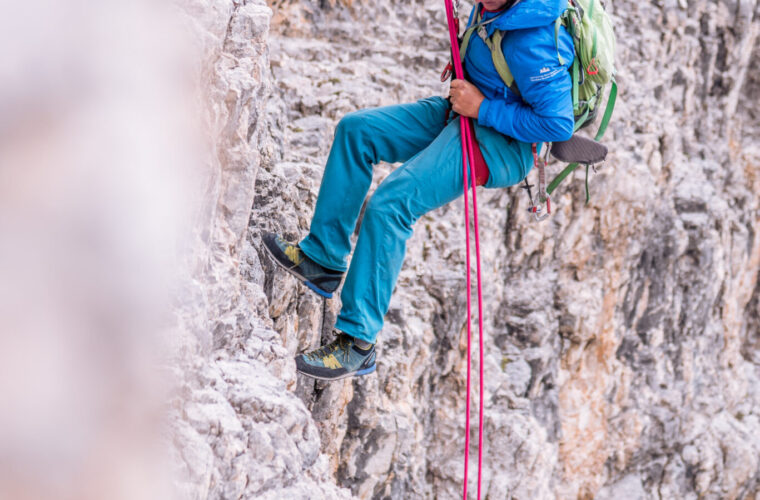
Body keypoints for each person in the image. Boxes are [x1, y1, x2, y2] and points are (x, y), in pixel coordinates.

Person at [262, 0, 575, 381]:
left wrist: (482, 109)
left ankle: (358, 343)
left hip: (500, 144)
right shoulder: (490, 6)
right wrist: (472, 106)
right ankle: (322, 259)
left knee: (390, 204)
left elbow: (557, 125)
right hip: (462, 112)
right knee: (356, 131)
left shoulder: (533, 40)